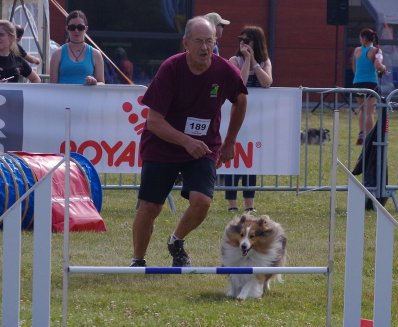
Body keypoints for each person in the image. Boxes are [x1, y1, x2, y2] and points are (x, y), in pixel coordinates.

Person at [130, 16, 247, 267]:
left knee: (202, 201)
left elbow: (240, 99)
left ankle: (176, 240)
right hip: (162, 143)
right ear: (186, 43)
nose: (205, 48)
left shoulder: (224, 70)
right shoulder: (170, 69)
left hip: (203, 146)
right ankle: (138, 260)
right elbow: (154, 122)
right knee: (150, 207)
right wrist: (185, 141)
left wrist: (230, 142)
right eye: (199, 42)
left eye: (210, 41)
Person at [224, 26, 273, 213]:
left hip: (256, 120)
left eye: (247, 40)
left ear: (256, 43)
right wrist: (245, 61)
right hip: (236, 117)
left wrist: (253, 61)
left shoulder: (265, 61)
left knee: (250, 161)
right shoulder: (233, 60)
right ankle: (231, 204)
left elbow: (267, 82)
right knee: (232, 158)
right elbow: (240, 83)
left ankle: (249, 204)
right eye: (241, 39)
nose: (243, 43)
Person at [49, 10, 104, 85]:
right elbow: (52, 86)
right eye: (72, 27)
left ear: (86, 29)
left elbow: (102, 83)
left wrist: (95, 82)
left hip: (87, 96)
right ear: (67, 28)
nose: (76, 30)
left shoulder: (96, 54)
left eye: (80, 27)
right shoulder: (57, 54)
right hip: (63, 96)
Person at [352, 28, 386, 145]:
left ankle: (361, 132)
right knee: (370, 112)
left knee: (361, 109)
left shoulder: (357, 50)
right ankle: (369, 136)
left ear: (364, 38)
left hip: (357, 82)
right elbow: (378, 66)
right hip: (371, 83)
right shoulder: (376, 51)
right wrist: (384, 68)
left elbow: (354, 67)